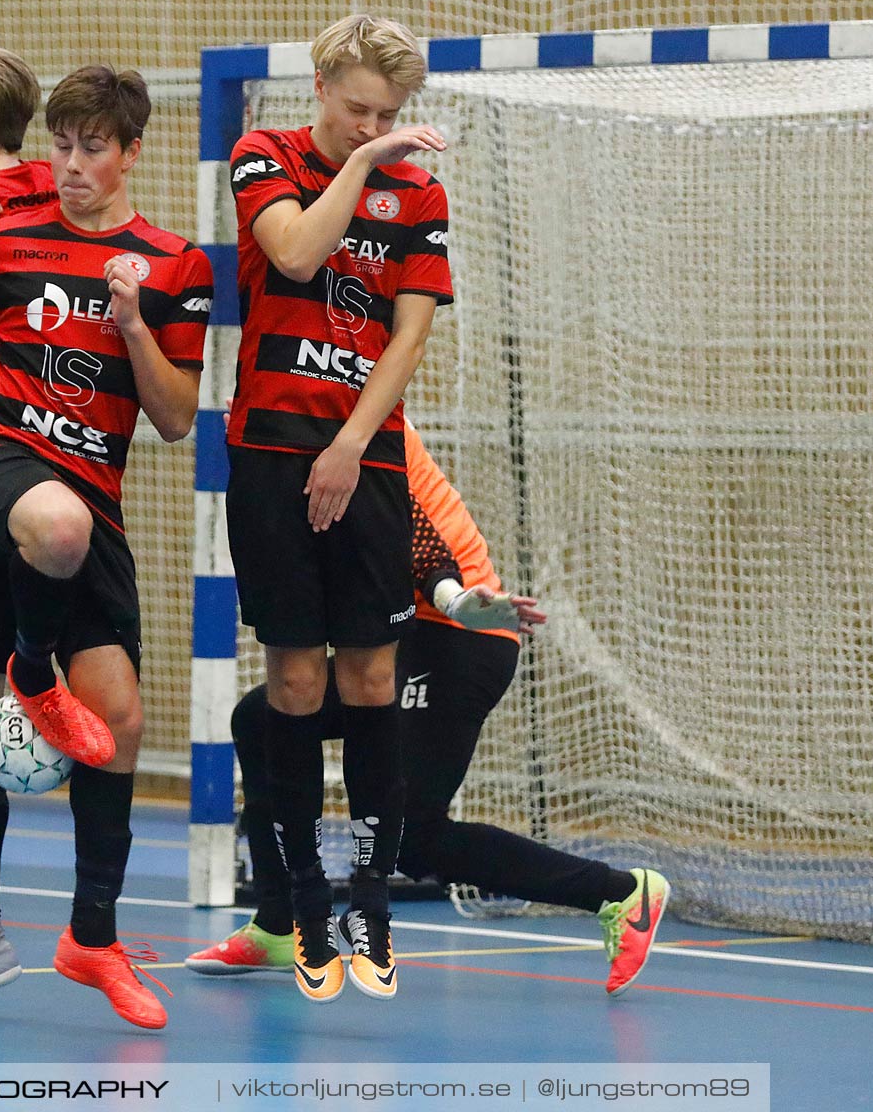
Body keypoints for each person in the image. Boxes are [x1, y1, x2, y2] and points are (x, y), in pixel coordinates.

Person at [0, 64, 212, 1031]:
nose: (68, 166)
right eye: (58, 146)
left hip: (89, 493)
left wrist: (133, 327)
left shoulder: (174, 264)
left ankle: (88, 939)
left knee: (121, 721)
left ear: (132, 152)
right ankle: (33, 679)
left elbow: (178, 419)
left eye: (91, 149)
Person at [186, 422, 672, 996]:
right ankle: (277, 923)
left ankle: (620, 892)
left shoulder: (355, 414)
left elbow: (413, 531)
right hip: (411, 630)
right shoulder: (297, 404)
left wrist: (455, 598)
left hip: (459, 634)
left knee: (414, 836)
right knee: (259, 717)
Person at [224, 13, 451, 1001]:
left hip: (366, 460)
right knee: (293, 681)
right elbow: (302, 255)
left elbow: (406, 337)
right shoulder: (261, 156)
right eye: (358, 109)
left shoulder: (423, 191)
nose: (372, 126)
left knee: (369, 675)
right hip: (271, 452)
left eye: (389, 116)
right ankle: (304, 893)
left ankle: (371, 890)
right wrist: (364, 166)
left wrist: (355, 446)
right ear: (321, 84)